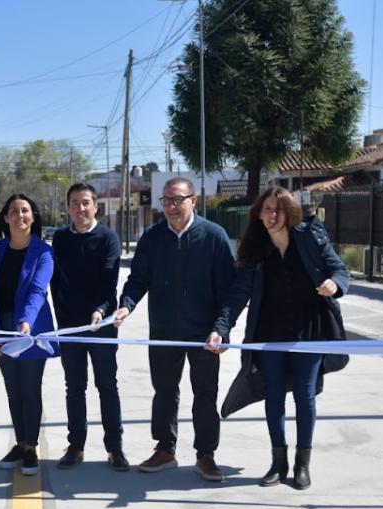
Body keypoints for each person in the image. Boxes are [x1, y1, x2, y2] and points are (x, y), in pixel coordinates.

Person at [207, 186, 350, 490]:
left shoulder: (310, 237)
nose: (272, 215)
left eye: (278, 209)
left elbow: (339, 269)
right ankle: (278, 462)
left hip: (309, 330)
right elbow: (237, 296)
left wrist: (334, 284)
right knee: (273, 395)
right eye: (266, 210)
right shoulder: (254, 250)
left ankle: (302, 464)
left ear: (290, 211)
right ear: (258, 214)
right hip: (268, 333)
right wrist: (221, 328)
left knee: (304, 394)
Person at [114, 177, 235, 482]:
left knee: (205, 393)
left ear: (193, 201)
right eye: (165, 200)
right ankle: (165, 449)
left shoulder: (214, 236)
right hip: (165, 330)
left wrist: (220, 328)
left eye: (177, 199)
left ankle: (206, 455)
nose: (170, 206)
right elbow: (138, 278)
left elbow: (228, 290)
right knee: (165, 391)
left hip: (205, 333)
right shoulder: (153, 238)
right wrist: (126, 304)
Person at [50, 183, 127, 471]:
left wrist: (100, 311)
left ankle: (115, 448)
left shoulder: (108, 238)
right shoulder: (60, 239)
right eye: (74, 203)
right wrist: (61, 317)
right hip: (70, 328)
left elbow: (109, 283)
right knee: (75, 387)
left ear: (96, 206)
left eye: (85, 203)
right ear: (68, 207)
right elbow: (55, 282)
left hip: (102, 326)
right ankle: (76, 446)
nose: (80, 209)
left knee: (107, 385)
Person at [0, 193, 58, 476]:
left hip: (31, 329)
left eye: (25, 210)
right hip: (2, 326)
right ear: (6, 217)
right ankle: (20, 442)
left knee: (29, 389)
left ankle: (30, 448)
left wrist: (25, 323)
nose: (20, 215)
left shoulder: (44, 252)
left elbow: (38, 291)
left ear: (33, 216)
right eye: (14, 211)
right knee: (13, 391)